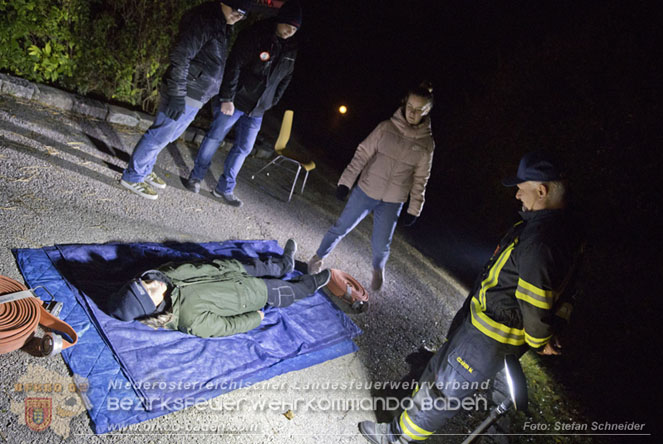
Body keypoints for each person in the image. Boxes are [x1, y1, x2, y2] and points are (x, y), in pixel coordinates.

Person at [358, 151, 584, 444]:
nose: (517, 195)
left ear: (542, 190)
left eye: (521, 188)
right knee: (453, 380)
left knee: (443, 389)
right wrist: (553, 333)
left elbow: (534, 299)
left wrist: (541, 339)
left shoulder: (540, 236)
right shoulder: (568, 232)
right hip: (495, 336)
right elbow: (568, 292)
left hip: (487, 337)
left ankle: (395, 438)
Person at [308, 82, 436, 291]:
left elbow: (422, 177)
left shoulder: (427, 144)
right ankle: (318, 257)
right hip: (367, 190)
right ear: (404, 103)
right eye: (410, 106)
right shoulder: (386, 128)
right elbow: (362, 154)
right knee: (341, 226)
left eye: (418, 109)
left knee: (381, 245)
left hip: (393, 201)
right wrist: (345, 182)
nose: (412, 113)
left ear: (427, 111)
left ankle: (378, 269)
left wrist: (415, 208)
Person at [119, 0, 251, 200]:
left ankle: (144, 169)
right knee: (160, 134)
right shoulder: (205, 19)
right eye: (236, 11)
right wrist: (177, 94)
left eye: (244, 15)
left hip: (197, 93)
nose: (238, 17)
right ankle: (133, 177)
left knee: (168, 135)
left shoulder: (222, 24)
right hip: (185, 90)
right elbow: (181, 55)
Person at [184, 1, 302, 207]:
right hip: (236, 100)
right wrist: (227, 97)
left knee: (244, 148)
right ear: (280, 19)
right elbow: (235, 64)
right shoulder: (257, 33)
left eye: (295, 29)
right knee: (214, 137)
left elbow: (286, 79)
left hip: (258, 109)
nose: (291, 31)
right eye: (288, 26)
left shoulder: (292, 48)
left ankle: (224, 188)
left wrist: (271, 102)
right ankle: (196, 176)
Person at [106, 239, 332, 337]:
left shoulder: (162, 277)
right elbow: (226, 327)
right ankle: (312, 284)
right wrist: (255, 317)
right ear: (151, 306)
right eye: (149, 289)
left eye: (143, 281)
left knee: (264, 265)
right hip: (253, 293)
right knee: (289, 292)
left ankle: (285, 264)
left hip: (232, 269)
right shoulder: (190, 319)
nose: (152, 282)